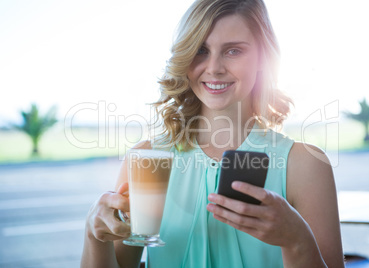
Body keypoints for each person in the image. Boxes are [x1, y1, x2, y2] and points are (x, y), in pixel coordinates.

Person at [81, 0, 345, 267]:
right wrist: (94, 236)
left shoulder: (305, 165)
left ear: (263, 57)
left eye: (233, 51)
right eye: (200, 50)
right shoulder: (146, 159)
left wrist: (298, 240)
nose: (214, 68)